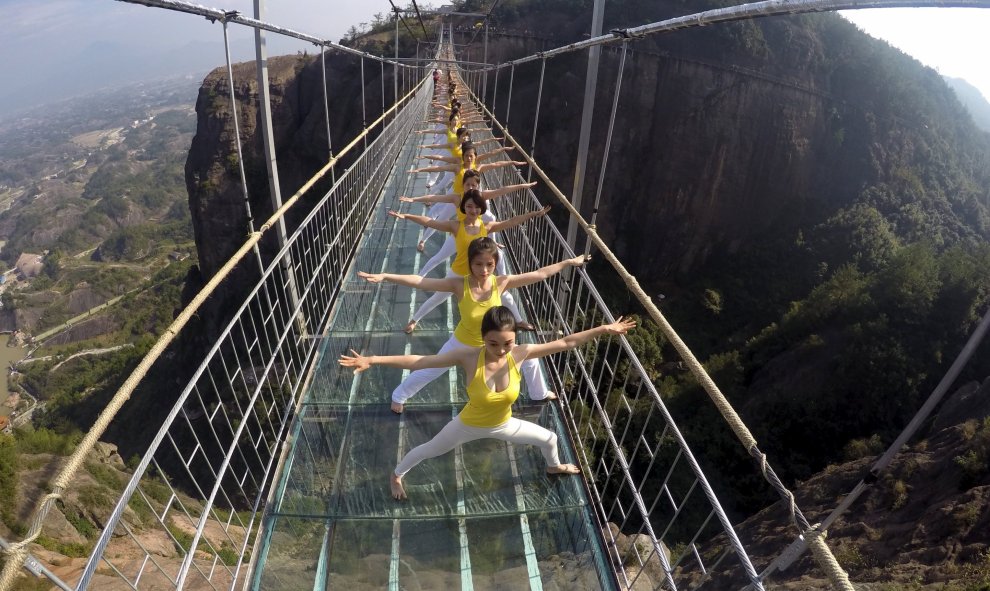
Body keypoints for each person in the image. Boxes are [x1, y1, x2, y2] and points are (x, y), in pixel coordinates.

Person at [339, 306, 637, 500]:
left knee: (550, 438)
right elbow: (421, 360)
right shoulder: (469, 356)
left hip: (503, 424)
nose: (500, 350)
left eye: (507, 343)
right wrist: (373, 359)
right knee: (429, 449)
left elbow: (566, 343)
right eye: (493, 344)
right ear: (483, 339)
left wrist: (602, 330)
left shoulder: (520, 352)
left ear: (514, 340)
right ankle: (396, 475)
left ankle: (553, 467)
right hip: (467, 425)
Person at [358, 236, 581, 413]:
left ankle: (538, 394)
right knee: (430, 370)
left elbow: (540, 274)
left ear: (496, 264)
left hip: (492, 348)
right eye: (478, 264)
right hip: (462, 344)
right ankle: (398, 396)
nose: (484, 270)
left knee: (531, 361)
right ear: (470, 262)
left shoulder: (501, 282)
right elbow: (421, 282)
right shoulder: (459, 284)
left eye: (489, 265)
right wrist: (387, 276)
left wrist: (568, 263)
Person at [389, 189, 545, 334]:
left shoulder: (487, 226)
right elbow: (430, 222)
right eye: (469, 206)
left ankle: (519, 321)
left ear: (482, 208)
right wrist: (407, 216)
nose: (473, 210)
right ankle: (414, 319)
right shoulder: (456, 226)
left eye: (477, 207)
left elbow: (511, 222)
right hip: (458, 273)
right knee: (437, 297)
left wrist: (532, 214)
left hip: (480, 276)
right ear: (464, 207)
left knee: (507, 297)